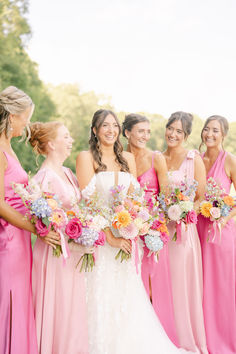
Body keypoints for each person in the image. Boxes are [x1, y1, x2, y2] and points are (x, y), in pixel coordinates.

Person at [76, 109, 190, 354]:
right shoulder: (86, 158)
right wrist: (109, 237)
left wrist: (133, 226)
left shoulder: (126, 158)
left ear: (120, 129)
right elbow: (88, 202)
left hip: (127, 240)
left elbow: (134, 199)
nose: (110, 130)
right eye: (104, 125)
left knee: (127, 297)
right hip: (101, 242)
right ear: (94, 130)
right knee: (100, 296)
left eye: (114, 125)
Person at [0, 86, 56, 353]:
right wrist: (36, 228)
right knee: (8, 300)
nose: (28, 122)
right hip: (8, 241)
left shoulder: (8, 146)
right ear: (12, 116)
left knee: (21, 299)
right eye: (26, 117)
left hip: (20, 239)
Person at [28, 121, 90, 354]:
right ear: (52, 144)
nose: (71, 140)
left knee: (72, 307)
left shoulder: (67, 173)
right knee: (58, 305)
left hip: (73, 252)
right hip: (55, 254)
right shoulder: (43, 178)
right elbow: (35, 217)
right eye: (66, 136)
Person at [122, 113, 179, 346]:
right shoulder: (119, 158)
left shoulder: (157, 159)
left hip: (153, 231)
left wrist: (154, 224)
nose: (146, 135)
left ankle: (158, 339)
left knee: (155, 286)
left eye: (148, 131)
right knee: (132, 285)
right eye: (140, 131)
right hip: (126, 230)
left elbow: (166, 197)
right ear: (127, 133)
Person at [162, 111, 208, 353]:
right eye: (171, 128)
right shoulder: (157, 157)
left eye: (179, 131)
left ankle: (183, 338)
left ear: (187, 136)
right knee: (162, 283)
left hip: (182, 232)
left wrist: (183, 211)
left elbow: (200, 198)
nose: (173, 134)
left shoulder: (193, 159)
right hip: (159, 232)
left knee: (180, 282)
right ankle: (162, 334)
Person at [197, 115, 236, 354]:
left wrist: (224, 216)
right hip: (198, 231)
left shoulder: (230, 160)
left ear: (223, 135)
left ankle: (224, 341)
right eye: (206, 129)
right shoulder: (197, 160)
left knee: (221, 288)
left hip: (221, 234)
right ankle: (203, 338)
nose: (209, 134)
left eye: (215, 130)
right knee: (200, 287)